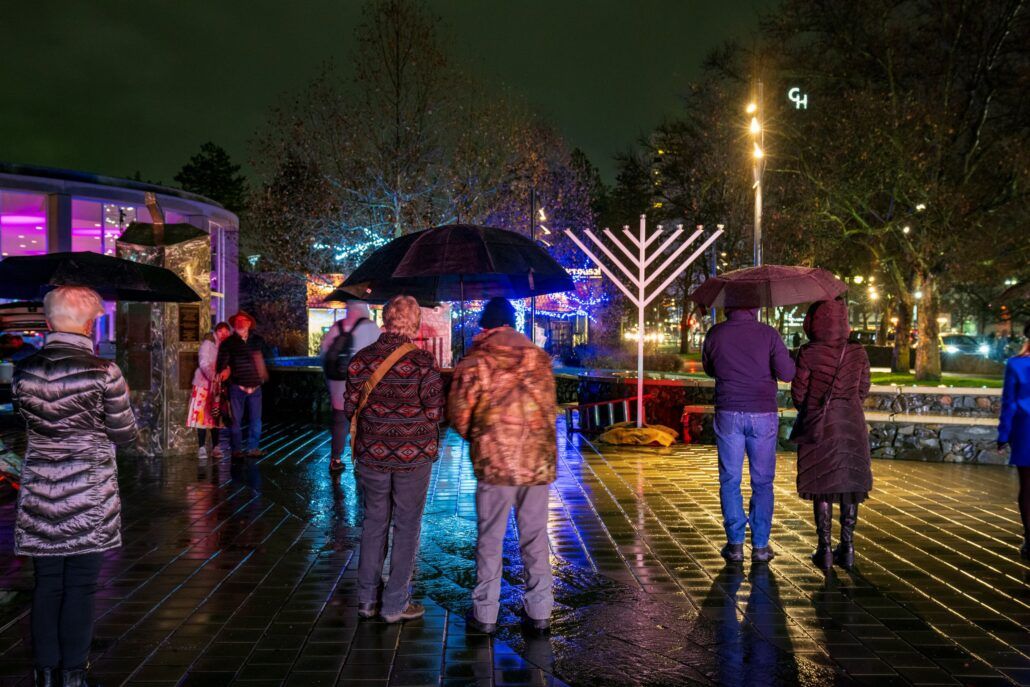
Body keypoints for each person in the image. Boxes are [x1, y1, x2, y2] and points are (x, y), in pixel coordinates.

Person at [12, 286, 137, 687]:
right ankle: (73, 674)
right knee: (80, 586)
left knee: (46, 584)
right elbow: (124, 435)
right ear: (88, 324)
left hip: (39, 492)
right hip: (87, 493)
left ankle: (45, 672)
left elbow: (29, 422)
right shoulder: (105, 372)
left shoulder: (24, 370)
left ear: (48, 323)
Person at [448, 298, 557, 636]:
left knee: (490, 538)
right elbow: (549, 410)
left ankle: (485, 614)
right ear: (513, 322)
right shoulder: (538, 359)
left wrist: (482, 437)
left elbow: (459, 415)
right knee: (535, 537)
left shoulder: (477, 360)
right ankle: (539, 610)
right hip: (537, 463)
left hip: (495, 463)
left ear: (485, 324)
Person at [345, 295, 443, 623]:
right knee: (406, 525)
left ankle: (366, 599)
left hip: (371, 455)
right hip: (413, 458)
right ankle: (395, 604)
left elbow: (349, 408)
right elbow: (433, 412)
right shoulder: (423, 364)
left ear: (385, 320)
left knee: (374, 522)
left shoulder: (361, 360)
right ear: (414, 325)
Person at [702, 307, 795, 563]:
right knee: (762, 481)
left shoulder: (715, 333)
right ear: (754, 308)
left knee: (730, 478)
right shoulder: (768, 334)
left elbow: (709, 368)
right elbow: (787, 373)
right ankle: (761, 546)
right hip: (762, 413)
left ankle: (734, 545)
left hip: (728, 410)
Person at [790, 299, 873, 570]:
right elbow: (864, 388)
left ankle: (824, 549)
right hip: (851, 423)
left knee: (821, 485)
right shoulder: (857, 352)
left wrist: (813, 403)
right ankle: (847, 547)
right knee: (849, 484)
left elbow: (799, 393)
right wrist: (846, 403)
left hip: (819, 425)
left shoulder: (808, 352)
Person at [320, 301, 379, 473]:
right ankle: (361, 458)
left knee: (339, 420)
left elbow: (324, 354)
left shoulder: (336, 327)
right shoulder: (369, 327)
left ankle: (335, 459)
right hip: (361, 382)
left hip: (337, 381)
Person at [998, 321, 1030, 560]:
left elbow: (1008, 402)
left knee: (1027, 487)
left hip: (1024, 429)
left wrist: (1003, 435)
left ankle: (1029, 537)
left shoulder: (1016, 364)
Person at [216, 311, 267, 458]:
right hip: (237, 387)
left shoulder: (257, 340)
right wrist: (226, 370)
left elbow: (265, 359)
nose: (240, 323)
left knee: (256, 420)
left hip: (256, 386)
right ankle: (236, 450)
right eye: (237, 321)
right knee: (236, 421)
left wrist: (261, 376)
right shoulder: (228, 343)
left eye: (243, 320)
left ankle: (253, 448)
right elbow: (221, 365)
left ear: (249, 323)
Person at [187, 322, 231, 460]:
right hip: (203, 386)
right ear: (216, 332)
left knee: (215, 415)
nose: (223, 335)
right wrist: (213, 376)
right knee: (201, 416)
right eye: (221, 332)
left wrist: (226, 372)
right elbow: (204, 363)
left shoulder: (226, 347)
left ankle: (216, 446)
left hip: (218, 387)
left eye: (226, 332)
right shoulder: (207, 344)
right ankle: (201, 447)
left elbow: (229, 364)